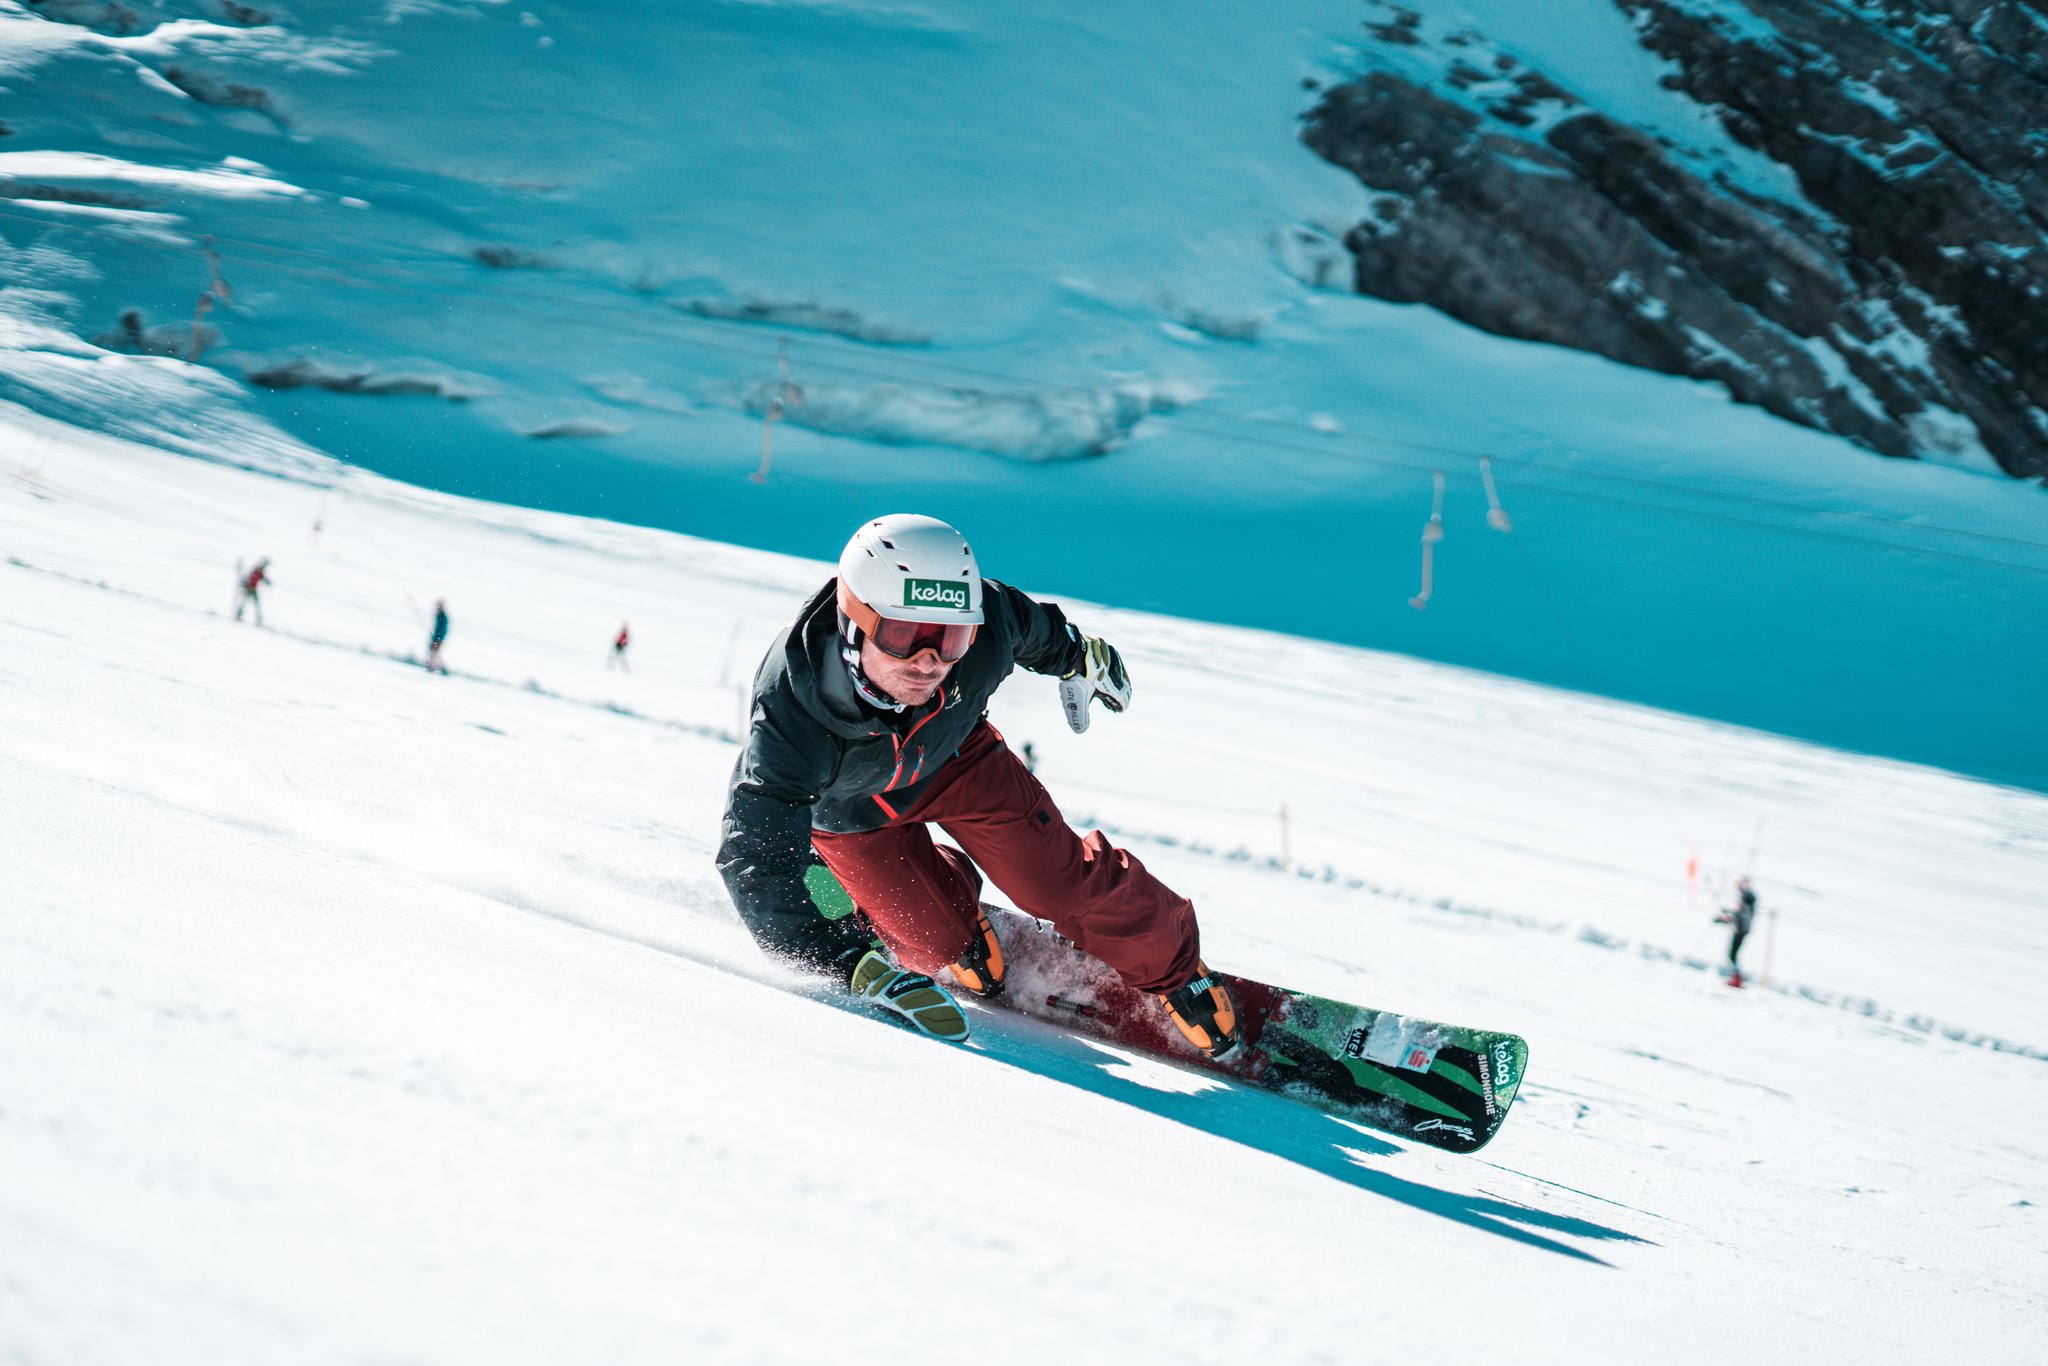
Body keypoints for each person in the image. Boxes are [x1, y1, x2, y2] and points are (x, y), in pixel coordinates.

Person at [716, 513, 1237, 1053]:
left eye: (951, 638)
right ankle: (941, 895)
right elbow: (753, 858)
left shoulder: (986, 629)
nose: (929, 662)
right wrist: (847, 963)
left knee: (1056, 885)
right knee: (930, 942)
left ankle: (1177, 967)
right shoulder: (794, 710)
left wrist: (1079, 657)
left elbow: (1031, 627)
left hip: (955, 758)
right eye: (904, 636)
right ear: (856, 620)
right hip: (850, 812)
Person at [1715, 876, 1758, 984]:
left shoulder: (1747, 903)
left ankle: (1737, 977)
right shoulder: (1748, 903)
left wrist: (1724, 919)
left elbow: (1738, 917)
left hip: (1741, 931)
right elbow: (1737, 914)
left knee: (1733, 955)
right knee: (1733, 955)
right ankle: (1736, 976)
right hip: (1742, 930)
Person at [234, 557, 270, 625]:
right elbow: (255, 577)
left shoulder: (259, 570)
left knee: (253, 603)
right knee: (248, 603)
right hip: (249, 588)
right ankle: (239, 616)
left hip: (253, 589)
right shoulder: (257, 569)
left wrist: (267, 582)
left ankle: (257, 620)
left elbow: (262, 578)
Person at [426, 599, 450, 674]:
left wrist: (438, 638)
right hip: (436, 637)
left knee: (434, 653)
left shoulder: (442, 616)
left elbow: (442, 629)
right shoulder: (439, 615)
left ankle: (435, 667)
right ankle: (435, 667)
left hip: (438, 638)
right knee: (434, 653)